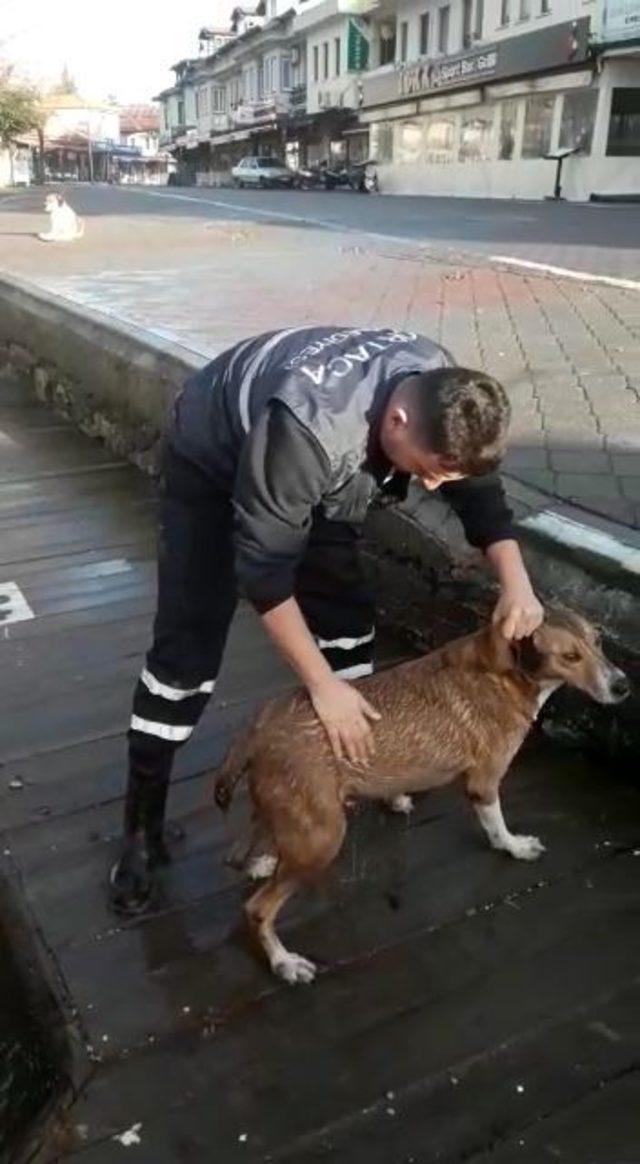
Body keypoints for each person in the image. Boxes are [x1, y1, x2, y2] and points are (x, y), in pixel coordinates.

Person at [108, 325, 543, 915]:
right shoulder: (305, 431)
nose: (435, 486)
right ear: (397, 423)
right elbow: (264, 574)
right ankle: (140, 831)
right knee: (186, 654)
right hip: (216, 456)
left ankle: (357, 763)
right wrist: (322, 687)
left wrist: (516, 582)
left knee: (346, 614)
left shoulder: (442, 389)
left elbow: (476, 489)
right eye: (433, 469)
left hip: (325, 464)